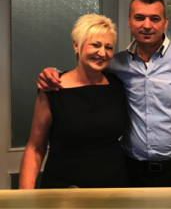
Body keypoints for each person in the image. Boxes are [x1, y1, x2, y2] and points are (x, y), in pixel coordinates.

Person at [37, 0, 171, 188]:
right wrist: (55, 73)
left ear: (165, 23)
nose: (147, 25)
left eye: (154, 19)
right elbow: (86, 70)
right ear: (129, 21)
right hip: (133, 172)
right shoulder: (116, 63)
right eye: (139, 18)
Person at [20, 15, 129, 189]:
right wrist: (25, 198)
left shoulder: (118, 85)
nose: (102, 52)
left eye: (108, 47)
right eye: (95, 45)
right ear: (76, 45)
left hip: (114, 188)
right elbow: (35, 148)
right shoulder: (52, 88)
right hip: (64, 190)